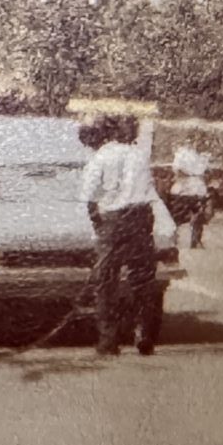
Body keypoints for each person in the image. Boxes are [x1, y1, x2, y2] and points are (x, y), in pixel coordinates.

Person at [78, 116, 161, 356]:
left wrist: (98, 223)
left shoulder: (101, 157)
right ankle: (144, 335)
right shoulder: (140, 155)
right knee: (143, 278)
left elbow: (89, 195)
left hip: (114, 220)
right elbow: (148, 189)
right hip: (141, 217)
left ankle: (108, 340)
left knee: (107, 280)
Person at [167, 141, 213, 249]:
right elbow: (178, 170)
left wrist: (204, 177)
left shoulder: (204, 156)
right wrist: (192, 174)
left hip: (199, 188)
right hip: (184, 189)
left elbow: (209, 172)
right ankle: (173, 237)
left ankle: (196, 239)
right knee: (178, 216)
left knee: (199, 214)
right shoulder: (182, 153)